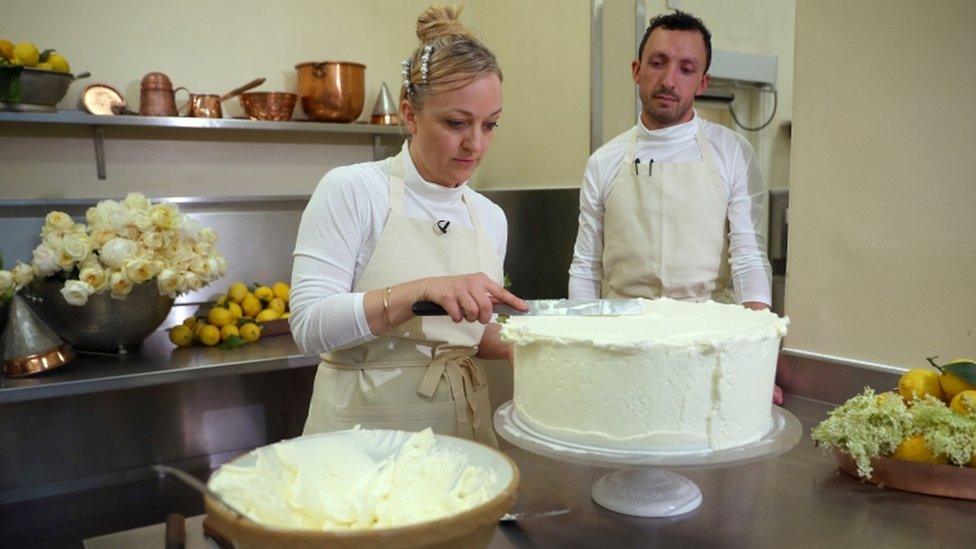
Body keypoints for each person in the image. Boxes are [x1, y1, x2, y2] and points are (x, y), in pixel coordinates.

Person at [289, 4, 526, 447]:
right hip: (360, 435)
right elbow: (308, 324)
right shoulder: (353, 189)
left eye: (490, 125)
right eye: (456, 123)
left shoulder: (490, 217)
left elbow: (464, 333)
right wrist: (418, 292)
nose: (476, 144)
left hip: (462, 433)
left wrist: (520, 344)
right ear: (410, 115)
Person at [568, 11, 780, 403]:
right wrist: (584, 347)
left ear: (702, 82)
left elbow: (749, 259)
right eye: (658, 63)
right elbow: (586, 266)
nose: (669, 80)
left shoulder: (732, 153)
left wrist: (758, 360)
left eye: (686, 69)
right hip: (621, 349)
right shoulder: (603, 161)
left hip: (706, 349)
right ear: (636, 70)